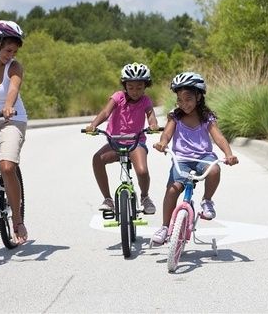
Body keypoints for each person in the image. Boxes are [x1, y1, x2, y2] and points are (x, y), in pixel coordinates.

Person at [151, 72, 239, 244]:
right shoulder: (175, 116)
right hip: (181, 160)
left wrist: (228, 154)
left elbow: (219, 138)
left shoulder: (206, 117)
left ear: (198, 97)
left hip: (203, 157)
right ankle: (164, 226)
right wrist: (162, 143)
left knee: (214, 170)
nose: (184, 104)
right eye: (180, 100)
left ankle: (207, 200)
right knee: (172, 190)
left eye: (188, 99)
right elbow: (167, 133)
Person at [85, 62, 159, 214]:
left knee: (142, 171)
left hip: (136, 143)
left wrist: (153, 125)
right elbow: (105, 113)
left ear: (146, 86)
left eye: (139, 87)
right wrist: (93, 125)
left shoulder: (146, 101)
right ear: (125, 85)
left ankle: (145, 197)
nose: (135, 91)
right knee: (97, 159)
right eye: (130, 87)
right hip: (115, 142)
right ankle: (107, 199)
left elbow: (151, 117)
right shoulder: (118, 97)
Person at [0, 20, 28, 245]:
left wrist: (9, 105)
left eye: (15, 51)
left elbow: (12, 89)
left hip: (12, 118)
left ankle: (17, 220)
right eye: (8, 50)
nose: (11, 55)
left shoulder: (14, 67)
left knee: (7, 166)